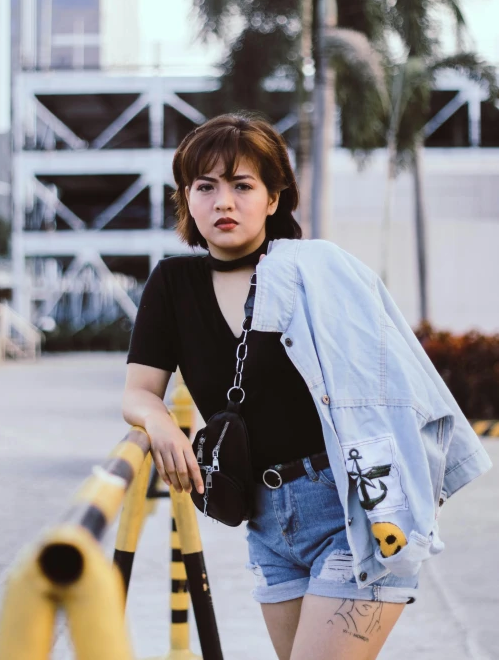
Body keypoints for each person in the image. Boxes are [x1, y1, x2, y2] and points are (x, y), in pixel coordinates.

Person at [122, 113, 492, 660]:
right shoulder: (171, 286)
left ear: (274, 199)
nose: (224, 201)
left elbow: (398, 387)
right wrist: (157, 422)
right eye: (206, 187)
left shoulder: (319, 271)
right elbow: (139, 390)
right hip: (264, 521)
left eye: (242, 185)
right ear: (186, 199)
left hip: (352, 506)